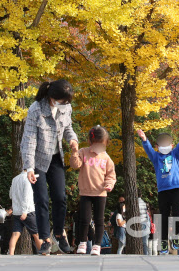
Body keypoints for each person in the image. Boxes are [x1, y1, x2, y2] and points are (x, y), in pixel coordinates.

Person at [20, 79, 78, 255]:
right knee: (42, 199)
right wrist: (29, 168)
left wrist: (73, 141)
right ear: (53, 97)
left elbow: (68, 127)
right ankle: (45, 239)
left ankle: (59, 234)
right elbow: (29, 140)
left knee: (60, 197)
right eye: (63, 101)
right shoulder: (36, 109)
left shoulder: (66, 108)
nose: (65, 104)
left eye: (67, 102)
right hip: (37, 160)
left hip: (55, 157)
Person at [138, 121, 179, 255]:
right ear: (157, 146)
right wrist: (144, 139)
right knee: (164, 217)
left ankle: (176, 237)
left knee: (178, 214)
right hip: (163, 191)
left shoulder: (175, 155)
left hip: (176, 189)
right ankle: (163, 244)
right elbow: (148, 149)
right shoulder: (156, 157)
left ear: (171, 145)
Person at [70, 125, 116, 256]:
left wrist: (109, 184)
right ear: (90, 142)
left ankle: (97, 244)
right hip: (85, 192)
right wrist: (74, 152)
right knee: (84, 219)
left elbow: (111, 175)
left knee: (99, 220)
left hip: (101, 193)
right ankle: (82, 242)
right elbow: (75, 165)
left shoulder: (106, 158)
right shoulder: (84, 152)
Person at [8, 171, 43, 255]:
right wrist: (24, 211)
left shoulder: (14, 179)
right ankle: (43, 253)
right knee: (36, 234)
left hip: (16, 211)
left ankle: (11, 254)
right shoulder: (27, 179)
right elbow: (27, 196)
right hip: (28, 211)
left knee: (15, 234)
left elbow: (10, 195)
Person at [138, 190, 151, 255]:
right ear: (141, 195)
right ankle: (147, 254)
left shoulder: (135, 202)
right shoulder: (143, 203)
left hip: (140, 223)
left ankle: (146, 254)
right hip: (145, 224)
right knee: (145, 242)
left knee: (143, 242)